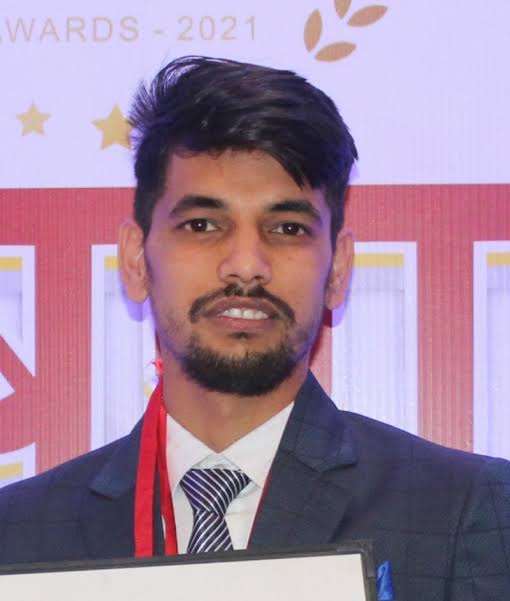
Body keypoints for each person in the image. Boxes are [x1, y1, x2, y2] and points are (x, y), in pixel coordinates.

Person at [1, 56, 509, 601]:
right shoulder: (18, 532)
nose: (246, 265)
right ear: (135, 259)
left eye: (287, 228)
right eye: (202, 225)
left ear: (338, 269)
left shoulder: (460, 512)